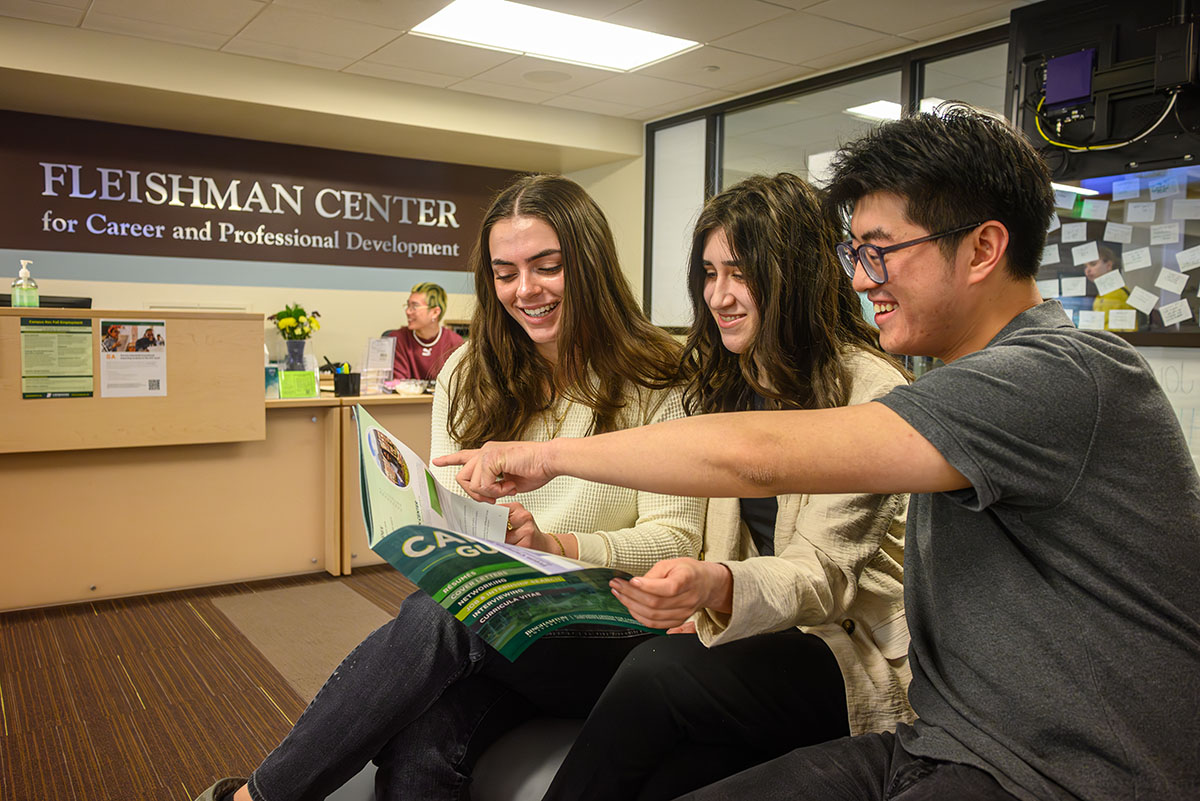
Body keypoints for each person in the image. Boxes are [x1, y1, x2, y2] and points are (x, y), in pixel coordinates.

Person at [441, 107, 1200, 801]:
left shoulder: (1063, 374)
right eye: (854, 253)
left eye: (881, 252)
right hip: (940, 742)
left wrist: (552, 459)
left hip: (1055, 773)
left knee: (654, 680)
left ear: (983, 248)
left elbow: (762, 467)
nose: (864, 277)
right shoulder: (950, 384)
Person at [193, 174, 705, 801]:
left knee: (444, 615)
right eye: (505, 272)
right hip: (502, 626)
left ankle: (255, 797)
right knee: (420, 749)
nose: (526, 291)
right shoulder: (470, 370)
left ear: (592, 265)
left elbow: (678, 539)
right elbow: (446, 507)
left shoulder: (665, 375)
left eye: (547, 267)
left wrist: (556, 543)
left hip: (615, 628)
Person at [538, 173, 913, 801]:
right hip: (752, 632)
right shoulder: (721, 384)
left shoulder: (869, 393)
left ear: (795, 274)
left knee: (655, 674)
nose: (721, 296)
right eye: (709, 275)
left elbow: (823, 578)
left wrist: (719, 589)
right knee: (664, 772)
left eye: (741, 273)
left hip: (843, 645)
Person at [383, 281, 464, 380]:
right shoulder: (397, 339)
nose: (408, 311)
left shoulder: (455, 343)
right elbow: (398, 384)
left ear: (435, 312)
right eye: (408, 305)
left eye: (414, 306)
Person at [1083, 244, 1136, 330]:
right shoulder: (1104, 293)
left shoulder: (1117, 293)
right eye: (1085, 267)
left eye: (1093, 264)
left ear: (1109, 265)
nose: (1087, 270)